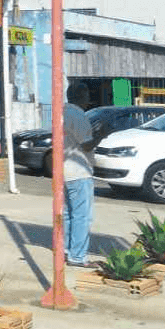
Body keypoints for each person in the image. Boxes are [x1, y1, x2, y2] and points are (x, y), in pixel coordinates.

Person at [63, 81, 96, 267]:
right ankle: (78, 256)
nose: (89, 99)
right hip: (79, 172)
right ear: (80, 96)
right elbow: (86, 144)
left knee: (68, 214)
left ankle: (67, 250)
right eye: (87, 95)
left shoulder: (61, 112)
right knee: (82, 216)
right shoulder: (78, 114)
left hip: (63, 171)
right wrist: (102, 134)